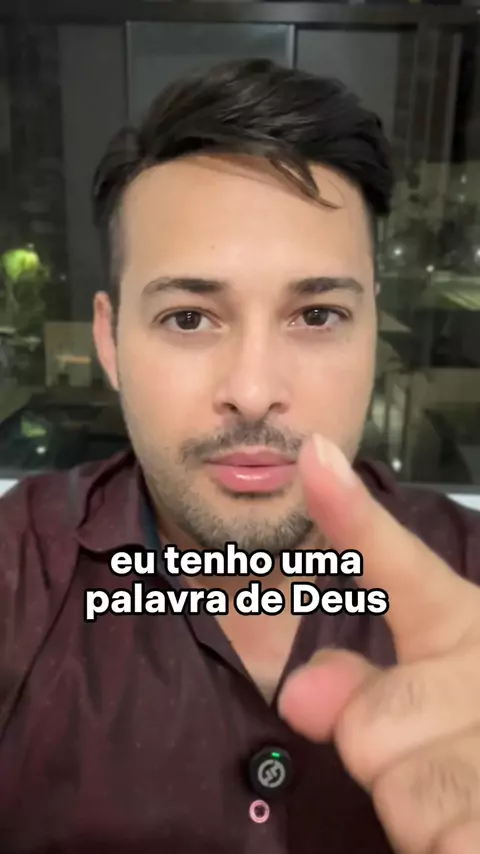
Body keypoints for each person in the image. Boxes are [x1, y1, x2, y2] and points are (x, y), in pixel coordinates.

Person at [1, 58, 480, 854]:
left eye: (317, 315)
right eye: (189, 318)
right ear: (109, 341)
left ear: (374, 330)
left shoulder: (468, 581)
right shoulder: (20, 572)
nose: (254, 393)